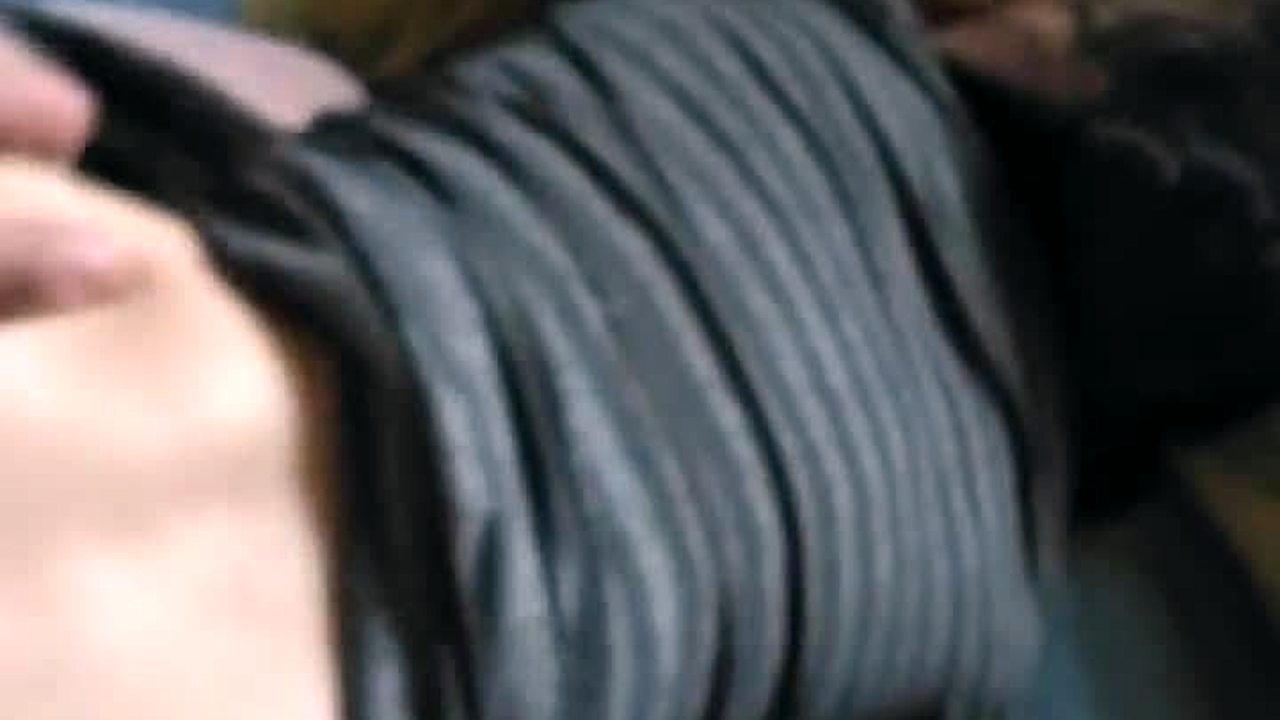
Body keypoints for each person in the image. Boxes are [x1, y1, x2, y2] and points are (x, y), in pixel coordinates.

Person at [0, 2, 1275, 719]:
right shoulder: (981, 638)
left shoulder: (781, 35)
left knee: (296, 114)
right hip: (279, 676)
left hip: (121, 312)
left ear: (1033, 45)